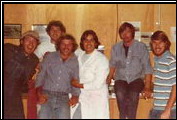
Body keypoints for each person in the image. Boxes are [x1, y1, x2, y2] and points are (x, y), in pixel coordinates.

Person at [106, 22, 153, 119]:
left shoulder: (141, 47)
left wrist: (147, 86)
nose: (125, 34)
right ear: (120, 35)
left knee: (133, 94)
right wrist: (109, 78)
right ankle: (123, 117)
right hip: (121, 78)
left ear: (132, 33)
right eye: (123, 32)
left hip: (136, 79)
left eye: (128, 32)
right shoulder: (116, 48)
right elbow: (112, 65)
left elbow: (147, 68)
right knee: (119, 93)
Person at [27, 20, 66, 119]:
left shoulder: (66, 47)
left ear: (62, 32)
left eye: (58, 30)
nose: (55, 32)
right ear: (48, 32)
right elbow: (33, 64)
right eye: (52, 30)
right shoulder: (41, 47)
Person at [35, 34, 80, 119]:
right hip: (46, 96)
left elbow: (76, 79)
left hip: (63, 98)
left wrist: (75, 96)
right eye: (63, 44)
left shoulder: (75, 61)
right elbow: (41, 76)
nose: (66, 47)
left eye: (69, 44)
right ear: (59, 45)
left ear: (73, 46)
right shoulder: (49, 56)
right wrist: (39, 94)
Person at [71, 30, 110, 119]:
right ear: (82, 43)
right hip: (82, 96)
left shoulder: (101, 59)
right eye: (86, 40)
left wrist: (78, 85)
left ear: (95, 42)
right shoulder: (79, 56)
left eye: (91, 40)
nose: (88, 43)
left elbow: (97, 84)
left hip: (96, 98)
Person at [4, 30, 40, 119]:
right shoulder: (8, 48)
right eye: (28, 40)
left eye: (34, 41)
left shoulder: (34, 60)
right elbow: (11, 68)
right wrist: (24, 56)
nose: (31, 44)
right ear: (21, 41)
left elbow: (25, 80)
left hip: (15, 97)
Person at [149, 30, 176, 119]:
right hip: (157, 109)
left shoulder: (171, 61)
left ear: (166, 43)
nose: (157, 46)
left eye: (160, 43)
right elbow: (162, 83)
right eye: (154, 43)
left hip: (169, 111)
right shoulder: (157, 59)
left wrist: (167, 110)